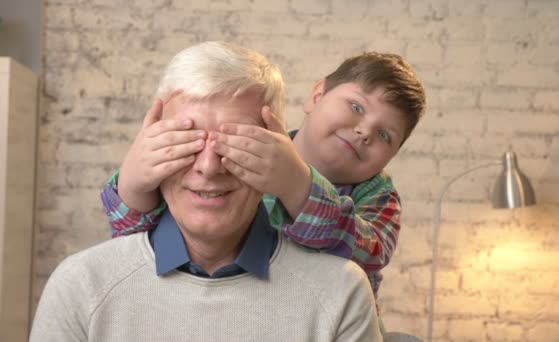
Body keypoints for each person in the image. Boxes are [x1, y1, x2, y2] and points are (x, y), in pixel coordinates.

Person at [29, 41, 382, 342]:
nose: (209, 167)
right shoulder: (80, 286)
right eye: (186, 141)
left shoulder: (341, 294)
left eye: (237, 143)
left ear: (274, 149)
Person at [101, 48, 427, 313]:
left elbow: (368, 255)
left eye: (384, 134)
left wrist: (297, 186)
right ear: (317, 95)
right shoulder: (239, 152)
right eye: (356, 106)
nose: (364, 131)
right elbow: (136, 236)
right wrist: (133, 184)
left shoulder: (379, 196)